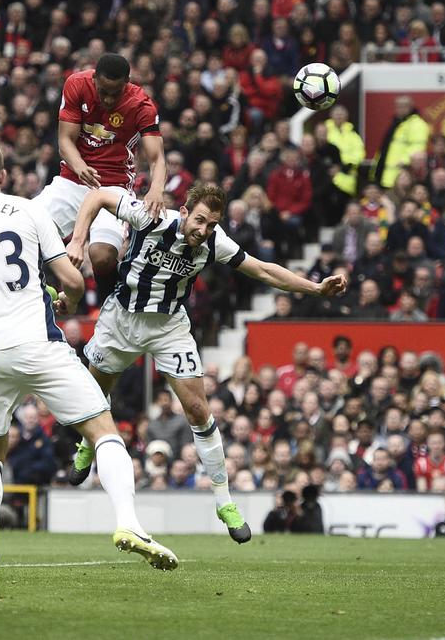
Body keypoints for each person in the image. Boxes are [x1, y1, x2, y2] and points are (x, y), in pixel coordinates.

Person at [0, 140, 176, 579]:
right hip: (38, 343)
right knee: (102, 430)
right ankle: (129, 524)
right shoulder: (27, 210)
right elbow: (71, 277)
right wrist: (68, 299)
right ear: (3, 176)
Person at [63, 183, 348, 542]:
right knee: (94, 400)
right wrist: (77, 240)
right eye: (199, 220)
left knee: (198, 409)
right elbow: (98, 196)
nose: (204, 230)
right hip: (120, 320)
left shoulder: (216, 243)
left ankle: (224, 501)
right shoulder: (151, 217)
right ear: (183, 212)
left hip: (168, 327)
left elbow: (263, 270)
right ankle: (88, 446)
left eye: (211, 224)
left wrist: (315, 288)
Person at [32, 53, 168, 304]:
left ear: (127, 83)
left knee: (102, 255)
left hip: (115, 185)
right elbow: (65, 140)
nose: (108, 98)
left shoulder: (141, 105)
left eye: (115, 93)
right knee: (26, 231)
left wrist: (156, 189)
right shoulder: (76, 84)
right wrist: (80, 166)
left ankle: (111, 310)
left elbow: (157, 157)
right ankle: (38, 298)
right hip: (73, 179)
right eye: (103, 91)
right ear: (94, 78)